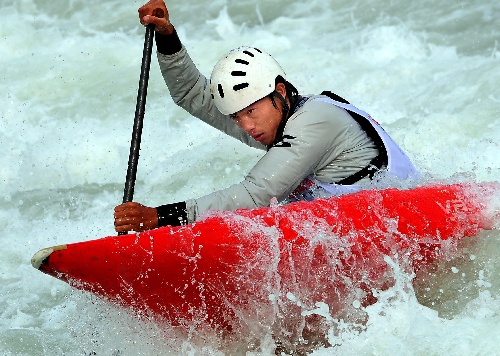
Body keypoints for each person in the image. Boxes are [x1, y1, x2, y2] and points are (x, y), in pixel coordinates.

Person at [113, 0, 418, 233]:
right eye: (235, 117)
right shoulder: (276, 118)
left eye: (250, 111)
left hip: (404, 221)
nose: (245, 126)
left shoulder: (314, 122)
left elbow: (255, 195)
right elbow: (192, 94)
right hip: (361, 221)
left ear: (280, 92)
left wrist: (158, 217)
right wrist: (167, 37)